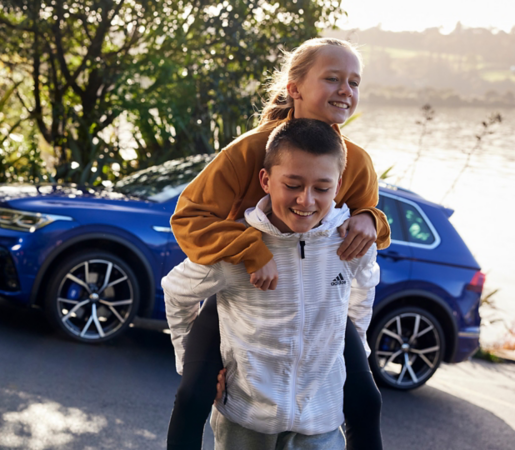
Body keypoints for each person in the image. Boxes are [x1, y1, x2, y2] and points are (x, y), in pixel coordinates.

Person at [166, 38, 389, 449]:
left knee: (366, 399)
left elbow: (363, 224)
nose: (346, 90)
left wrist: (369, 218)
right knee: (195, 394)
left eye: (354, 82)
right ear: (295, 88)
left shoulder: (356, 161)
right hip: (244, 288)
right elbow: (188, 220)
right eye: (333, 78)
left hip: (315, 297)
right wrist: (252, 249)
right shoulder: (248, 151)